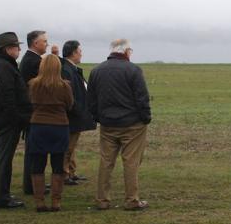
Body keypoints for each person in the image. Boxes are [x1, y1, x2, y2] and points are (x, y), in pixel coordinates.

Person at [88, 39, 151, 211]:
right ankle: (132, 200)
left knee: (106, 162)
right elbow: (142, 98)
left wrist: (99, 117)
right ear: (126, 51)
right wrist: (146, 118)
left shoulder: (96, 71)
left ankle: (102, 200)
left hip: (108, 124)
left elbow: (91, 100)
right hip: (132, 125)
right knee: (131, 162)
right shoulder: (133, 70)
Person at [0, 32, 32, 208]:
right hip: (7, 120)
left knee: (0, 157)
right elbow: (8, 97)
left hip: (3, 118)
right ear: (7, 49)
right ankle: (2, 198)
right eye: (16, 47)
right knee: (4, 159)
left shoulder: (4, 65)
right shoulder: (4, 67)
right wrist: (18, 119)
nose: (19, 49)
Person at [27, 55, 74, 212]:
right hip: (59, 127)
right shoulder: (64, 86)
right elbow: (70, 105)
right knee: (58, 165)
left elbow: (30, 103)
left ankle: (39, 201)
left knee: (38, 165)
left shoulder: (33, 85)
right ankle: (56, 201)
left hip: (38, 126)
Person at [60, 40, 96, 186]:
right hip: (72, 116)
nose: (81, 54)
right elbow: (69, 95)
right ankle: (64, 174)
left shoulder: (71, 68)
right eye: (80, 51)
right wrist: (78, 111)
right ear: (73, 53)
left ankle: (71, 171)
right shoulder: (66, 70)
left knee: (72, 147)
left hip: (76, 115)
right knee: (67, 147)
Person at [19, 30, 49, 195]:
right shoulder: (34, 61)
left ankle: (34, 183)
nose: (47, 44)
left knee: (34, 150)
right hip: (34, 112)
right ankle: (32, 185)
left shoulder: (30, 59)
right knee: (34, 151)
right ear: (35, 43)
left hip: (31, 111)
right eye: (44, 41)